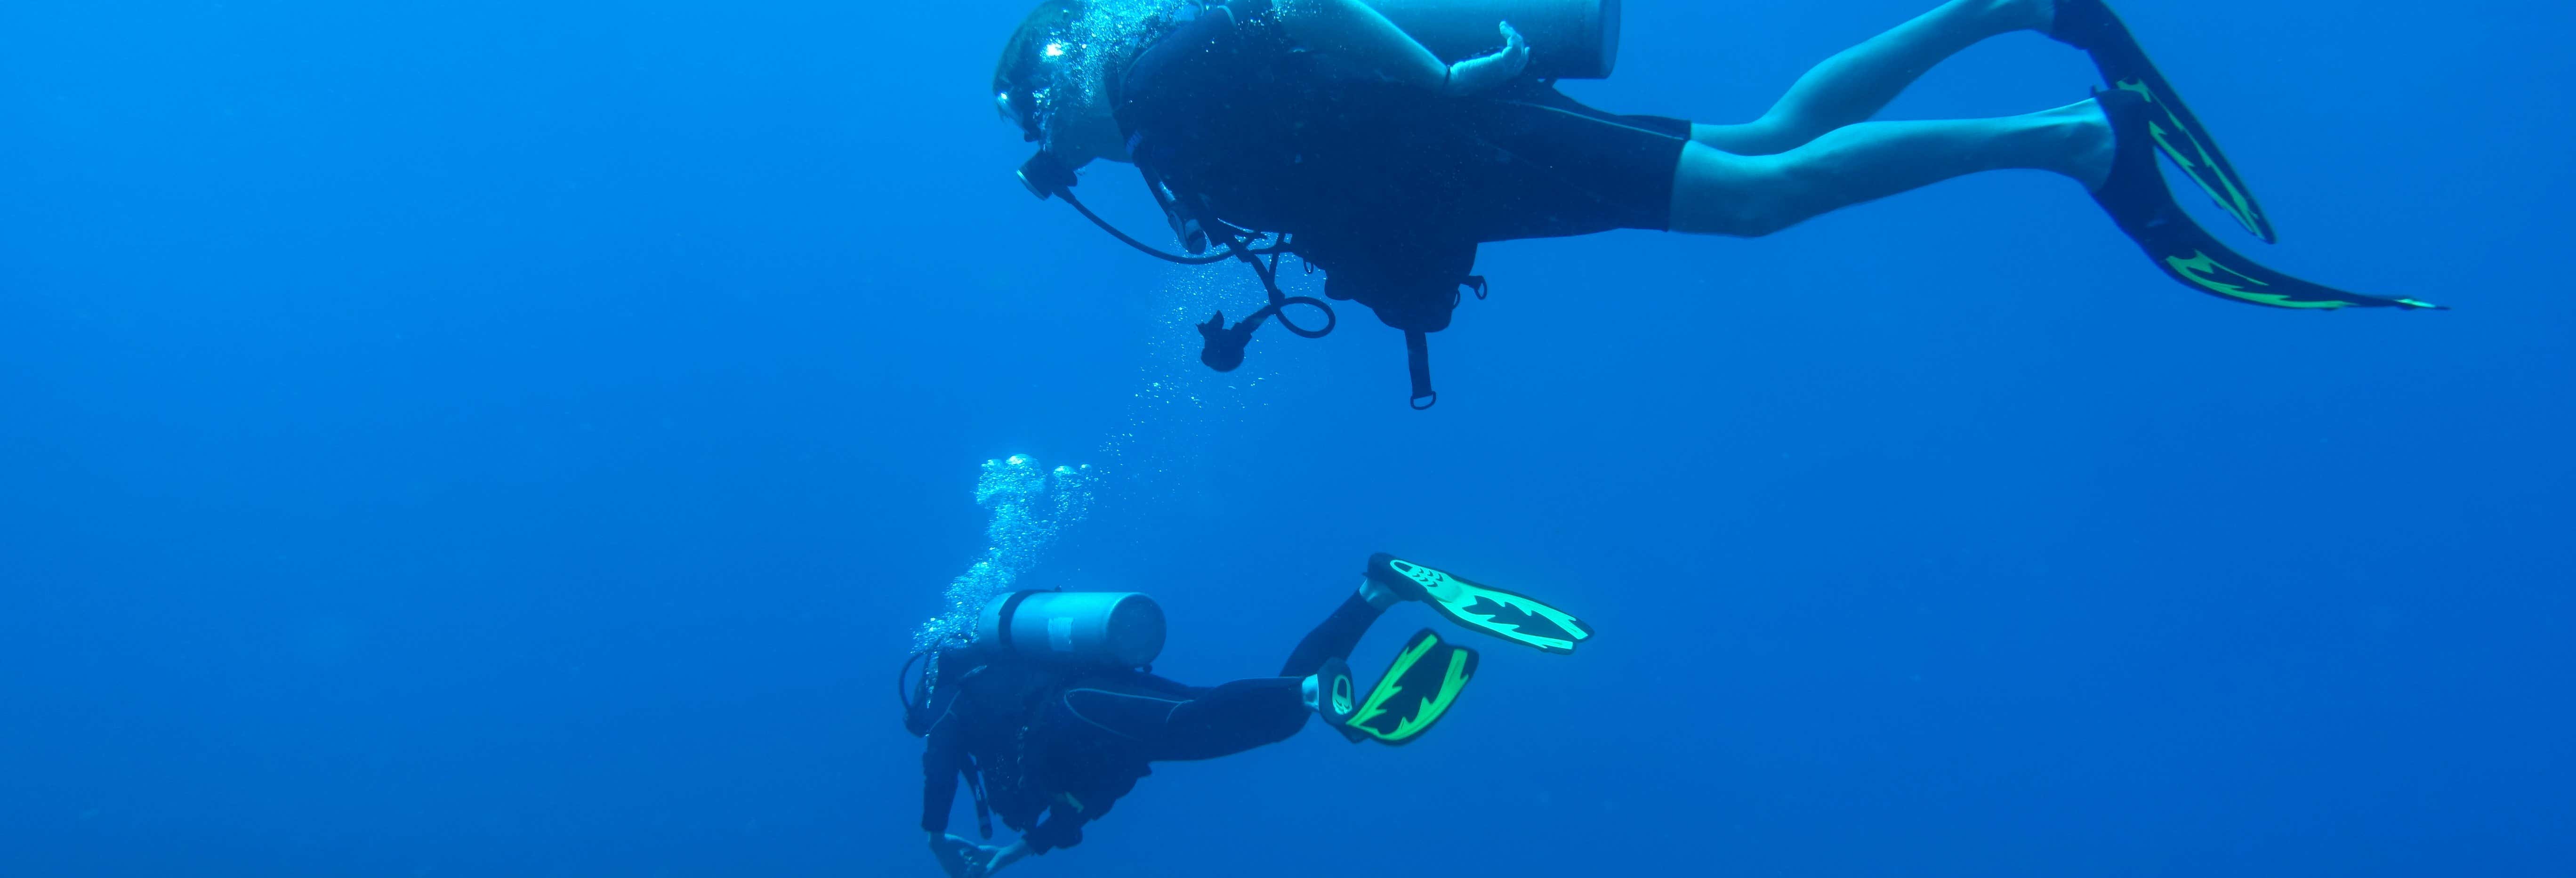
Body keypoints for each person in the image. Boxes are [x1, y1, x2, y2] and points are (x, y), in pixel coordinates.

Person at [994, 0, 2441, 407]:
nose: (1057, 144)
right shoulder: (1168, 140)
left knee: (1756, 200)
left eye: (1042, 112)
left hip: (1472, 147)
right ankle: (2014, 6)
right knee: (1761, 136)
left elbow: (1297, 0)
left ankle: (2073, 138)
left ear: (1059, 79)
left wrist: (1442, 101)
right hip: (1473, 166)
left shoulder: (1162, 67)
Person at [903, 553, 1592, 877]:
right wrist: (1015, 851)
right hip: (1095, 711)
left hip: (1082, 706)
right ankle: (1377, 592)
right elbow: (1094, 793)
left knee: (1205, 716)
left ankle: (1315, 693)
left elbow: (938, 758)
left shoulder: (959, 703)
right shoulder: (1003, 730)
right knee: (1269, 716)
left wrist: (937, 838)